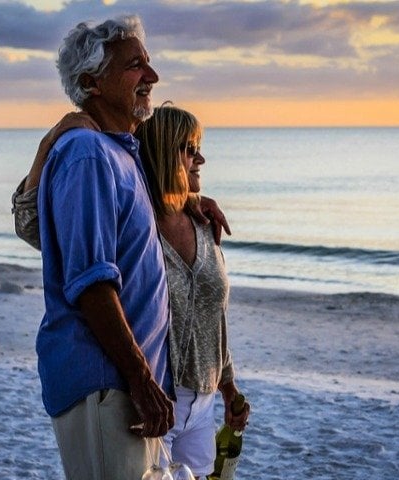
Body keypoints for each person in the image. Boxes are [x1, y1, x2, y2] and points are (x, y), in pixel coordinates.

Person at [34, 15, 173, 479]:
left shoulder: (118, 152)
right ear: (92, 82)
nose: (151, 77)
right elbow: (91, 282)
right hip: (107, 385)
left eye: (148, 65)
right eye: (135, 66)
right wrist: (140, 377)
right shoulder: (87, 154)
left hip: (129, 387)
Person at [135, 105, 250, 478]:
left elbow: (213, 317)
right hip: (156, 402)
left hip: (203, 401)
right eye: (189, 148)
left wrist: (228, 388)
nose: (200, 158)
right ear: (165, 153)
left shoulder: (203, 224)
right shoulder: (139, 225)